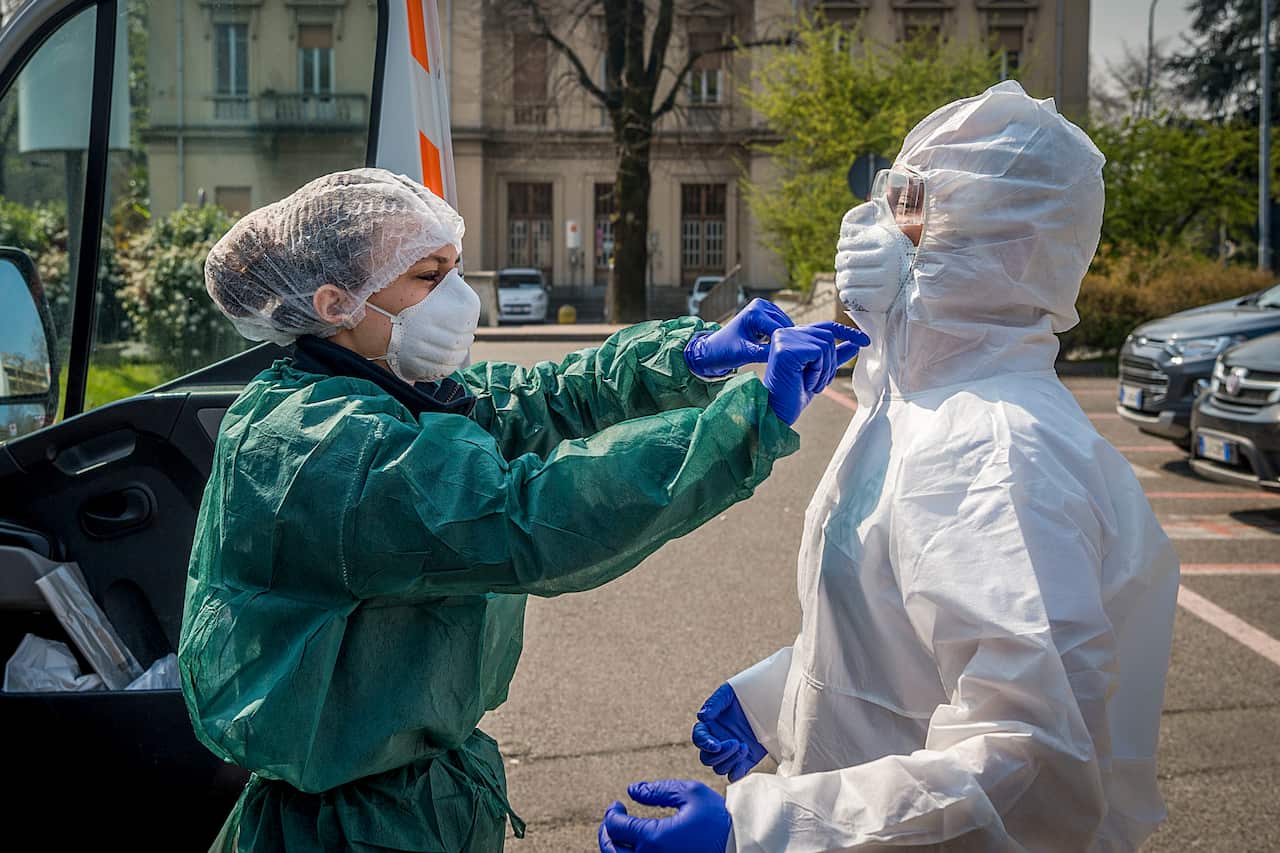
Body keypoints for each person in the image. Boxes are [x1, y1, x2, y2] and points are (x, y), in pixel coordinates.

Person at [178, 167, 869, 853]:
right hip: (356, 826)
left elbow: (536, 399)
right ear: (335, 303)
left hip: (413, 794)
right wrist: (749, 420)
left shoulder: (382, 385)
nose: (455, 297)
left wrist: (691, 355)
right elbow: (528, 515)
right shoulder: (323, 444)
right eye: (426, 276)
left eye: (454, 268)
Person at [600, 81, 1180, 852]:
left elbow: (1030, 759)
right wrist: (776, 695)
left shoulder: (992, 453)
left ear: (1005, 246)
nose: (872, 227)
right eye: (888, 197)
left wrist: (758, 827)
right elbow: (901, 640)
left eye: (913, 206)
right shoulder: (913, 406)